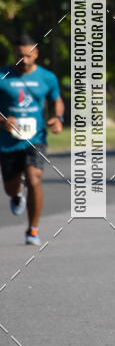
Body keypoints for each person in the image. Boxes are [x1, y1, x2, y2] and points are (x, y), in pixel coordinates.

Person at [0, 36, 64, 245]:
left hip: (35, 139)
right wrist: (3, 121)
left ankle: (33, 230)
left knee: (34, 178)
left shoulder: (47, 77)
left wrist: (57, 118)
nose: (24, 60)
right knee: (10, 188)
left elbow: (56, 100)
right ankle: (17, 193)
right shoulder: (3, 76)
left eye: (28, 56)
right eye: (19, 56)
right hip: (8, 141)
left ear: (36, 54)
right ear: (14, 53)